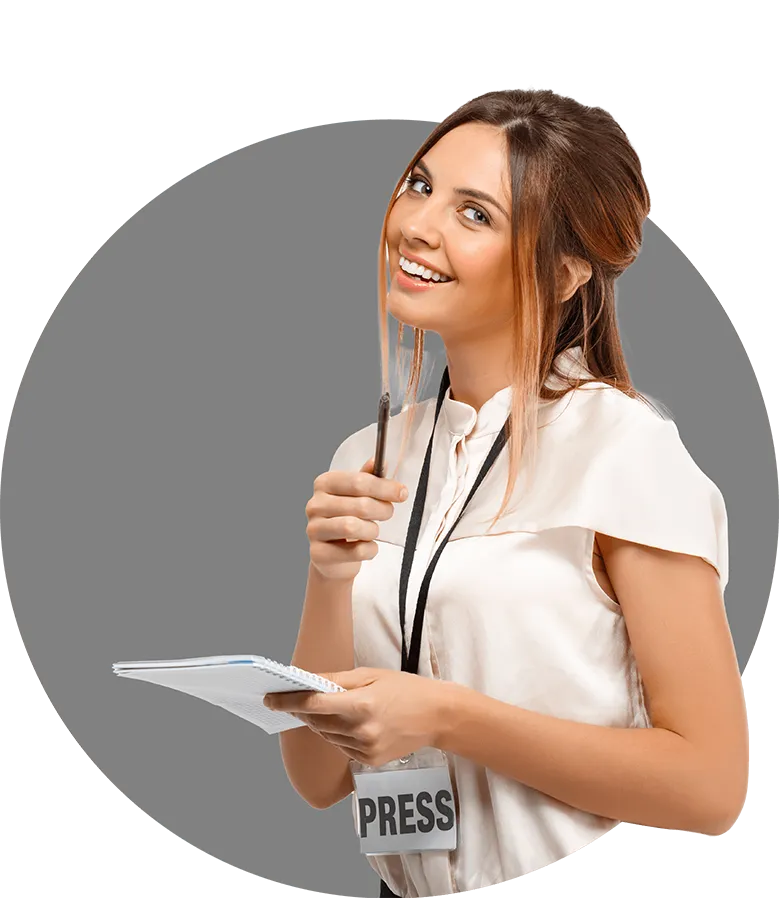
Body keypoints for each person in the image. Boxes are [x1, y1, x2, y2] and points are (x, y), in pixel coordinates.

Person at [263, 89, 750, 898]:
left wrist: (447, 718)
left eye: (475, 214)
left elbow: (710, 786)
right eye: (420, 186)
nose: (417, 226)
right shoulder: (373, 454)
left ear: (562, 274)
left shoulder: (623, 449)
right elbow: (318, 779)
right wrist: (328, 575)